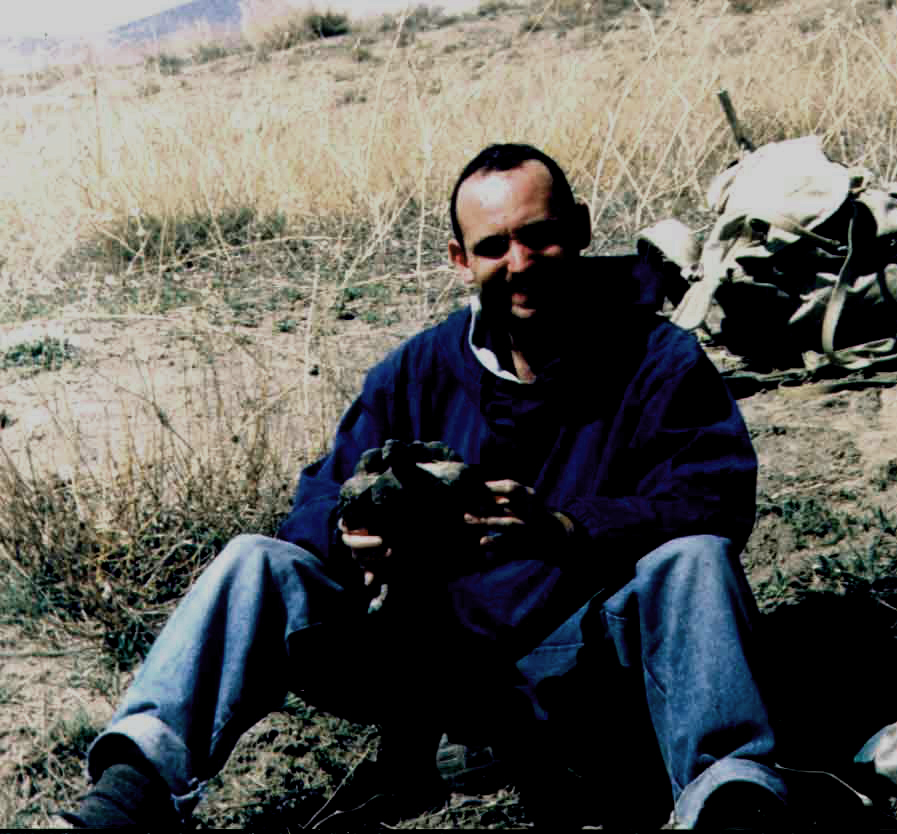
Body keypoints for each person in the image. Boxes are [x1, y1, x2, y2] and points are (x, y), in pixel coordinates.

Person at [61, 143, 789, 829]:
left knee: (694, 559)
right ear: (458, 259)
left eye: (540, 237)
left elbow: (714, 499)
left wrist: (565, 529)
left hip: (579, 657)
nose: (521, 263)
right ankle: (134, 790)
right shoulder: (417, 370)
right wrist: (349, 538)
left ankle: (727, 794)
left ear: (579, 229)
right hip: (421, 657)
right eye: (493, 247)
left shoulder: (656, 358)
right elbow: (315, 500)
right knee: (257, 560)